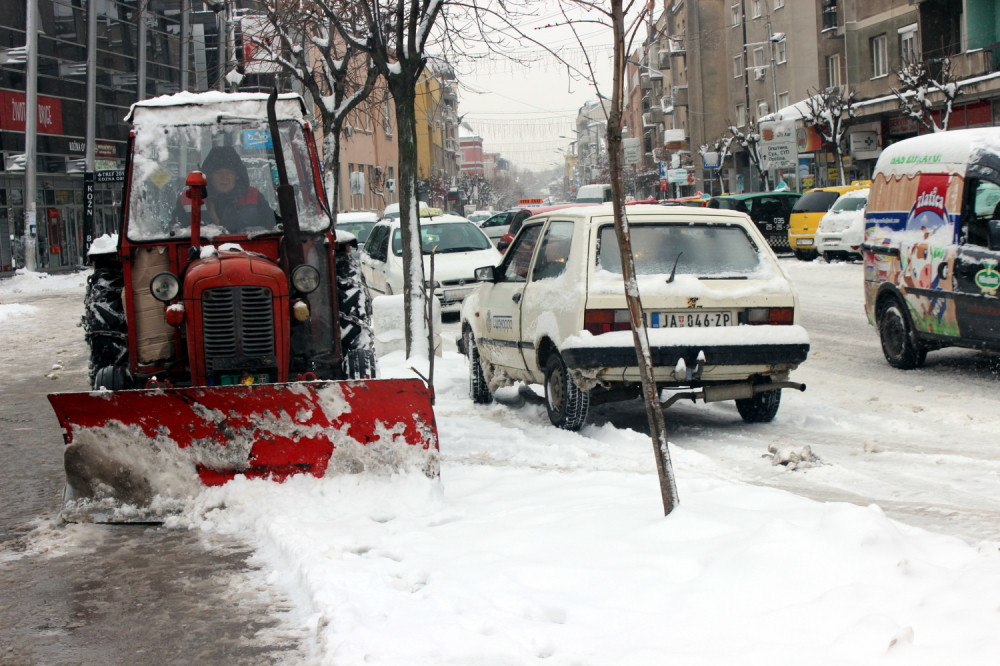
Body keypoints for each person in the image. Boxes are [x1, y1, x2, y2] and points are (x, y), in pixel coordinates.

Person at [175, 146, 276, 232]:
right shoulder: (189, 199)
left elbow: (275, 227)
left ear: (237, 176)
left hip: (250, 251)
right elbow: (173, 232)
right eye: (219, 173)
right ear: (209, 175)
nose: (224, 177)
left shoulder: (253, 196)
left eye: (229, 173)